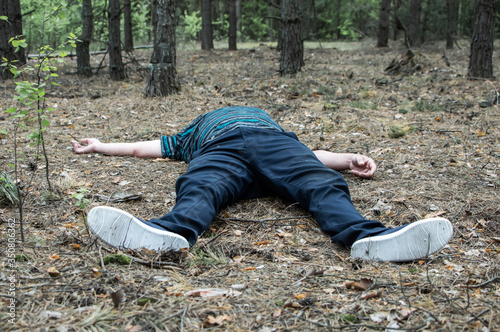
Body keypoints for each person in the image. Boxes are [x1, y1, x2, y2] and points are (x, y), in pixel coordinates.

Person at [72, 106, 453, 262]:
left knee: (320, 182)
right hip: (220, 152)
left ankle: (367, 238)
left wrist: (347, 160)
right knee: (201, 185)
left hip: (277, 147)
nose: (234, 110)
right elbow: (143, 149)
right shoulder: (194, 134)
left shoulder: (269, 123)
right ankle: (170, 232)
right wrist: (101, 146)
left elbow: (309, 156)